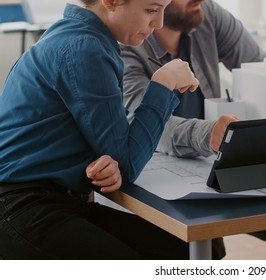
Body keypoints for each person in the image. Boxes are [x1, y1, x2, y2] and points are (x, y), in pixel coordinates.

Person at [0, 0, 204, 259]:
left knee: (192, 248)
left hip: (57, 202)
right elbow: (127, 164)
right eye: (152, 10)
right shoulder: (86, 48)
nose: (160, 22)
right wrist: (163, 84)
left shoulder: (78, 36)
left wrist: (104, 160)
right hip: (25, 209)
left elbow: (113, 152)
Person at [120, 0, 266, 259]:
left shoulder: (205, 13)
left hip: (207, 166)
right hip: (153, 174)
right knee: (208, 249)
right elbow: (148, 125)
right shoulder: (127, 41)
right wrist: (209, 133)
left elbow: (261, 70)